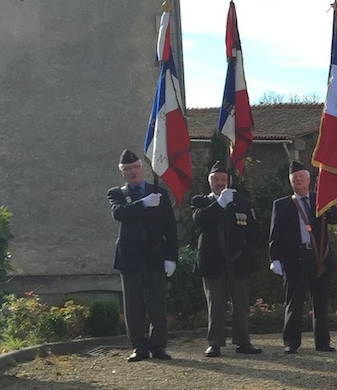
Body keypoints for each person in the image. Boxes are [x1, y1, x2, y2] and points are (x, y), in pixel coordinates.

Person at [108, 148, 177, 362]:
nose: (133, 172)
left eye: (136, 167)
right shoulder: (118, 193)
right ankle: (139, 347)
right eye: (127, 169)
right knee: (134, 305)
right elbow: (118, 213)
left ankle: (158, 347)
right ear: (123, 173)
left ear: (142, 169)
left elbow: (170, 228)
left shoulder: (160, 193)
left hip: (155, 256)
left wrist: (171, 257)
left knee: (157, 304)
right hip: (130, 258)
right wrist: (143, 204)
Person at [192, 159, 264, 358]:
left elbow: (255, 233)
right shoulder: (201, 202)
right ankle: (214, 343)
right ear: (210, 182)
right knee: (216, 305)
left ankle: (243, 341)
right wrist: (220, 203)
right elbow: (200, 220)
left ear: (229, 181)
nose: (219, 183)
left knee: (241, 304)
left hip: (237, 261)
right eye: (215, 179)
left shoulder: (242, 202)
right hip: (212, 262)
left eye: (223, 179)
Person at [269, 160, 337, 353]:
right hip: (295, 260)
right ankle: (291, 343)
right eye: (294, 178)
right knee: (294, 303)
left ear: (308, 180)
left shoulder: (319, 199)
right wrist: (274, 258)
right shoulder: (282, 205)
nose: (298, 180)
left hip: (319, 259)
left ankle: (322, 342)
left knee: (321, 303)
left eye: (301, 177)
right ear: (290, 182)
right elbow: (275, 234)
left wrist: (329, 201)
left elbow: (334, 219)